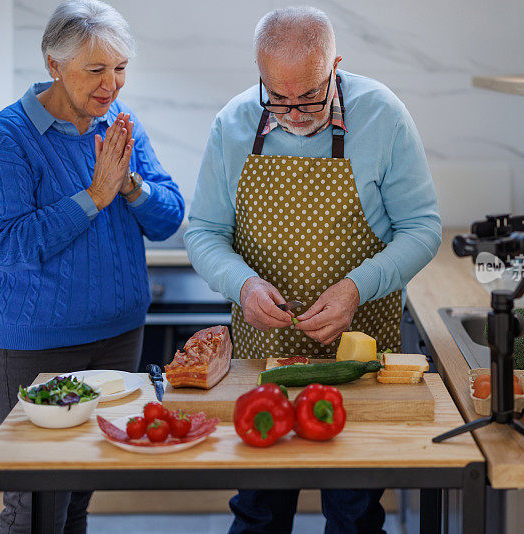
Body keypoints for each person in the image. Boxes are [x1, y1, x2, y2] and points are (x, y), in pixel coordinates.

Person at [185, 6, 441, 533]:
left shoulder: (382, 116)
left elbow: (422, 228)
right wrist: (242, 284)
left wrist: (356, 287)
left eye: (309, 95)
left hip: (359, 362)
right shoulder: (233, 125)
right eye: (277, 97)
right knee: (257, 512)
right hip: (263, 364)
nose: (295, 114)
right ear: (260, 75)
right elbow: (203, 232)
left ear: (336, 66)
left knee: (354, 515)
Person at [0, 1, 184, 531]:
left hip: (118, 338)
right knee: (35, 507)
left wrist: (131, 185)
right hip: (37, 345)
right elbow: (8, 243)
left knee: (78, 496)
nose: (111, 85)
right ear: (53, 64)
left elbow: (168, 219)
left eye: (119, 69)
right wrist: (94, 195)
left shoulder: (117, 123)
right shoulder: (12, 134)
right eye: (95, 70)